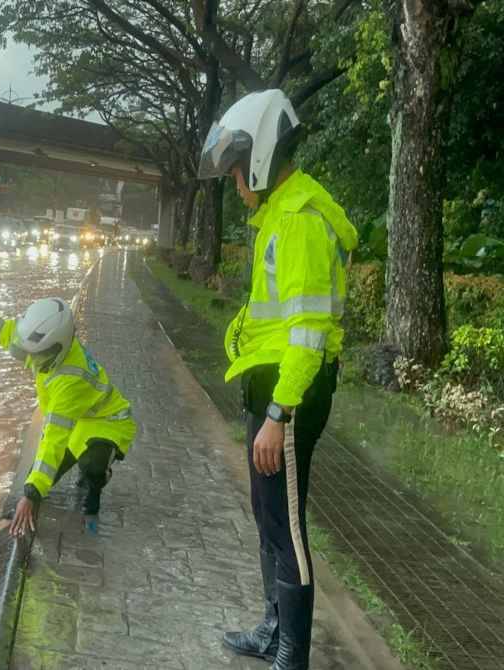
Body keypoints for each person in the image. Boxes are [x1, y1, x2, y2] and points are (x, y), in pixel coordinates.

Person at [197, 89, 358, 670]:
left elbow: (310, 333)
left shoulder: (299, 223)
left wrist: (277, 414)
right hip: (269, 390)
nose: (236, 185)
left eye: (237, 172)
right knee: (269, 517)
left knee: (287, 524)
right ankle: (273, 629)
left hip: (288, 398)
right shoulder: (279, 217)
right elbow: (271, 316)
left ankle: (292, 654)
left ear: (259, 159)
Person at [0, 287, 136, 536]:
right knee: (43, 479)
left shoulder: (70, 379)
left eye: (38, 355)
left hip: (108, 422)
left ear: (58, 346)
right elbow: (8, 334)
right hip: (79, 421)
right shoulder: (45, 347)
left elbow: (54, 438)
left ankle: (98, 480)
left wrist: (31, 494)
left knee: (89, 467)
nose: (30, 360)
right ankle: (83, 464)